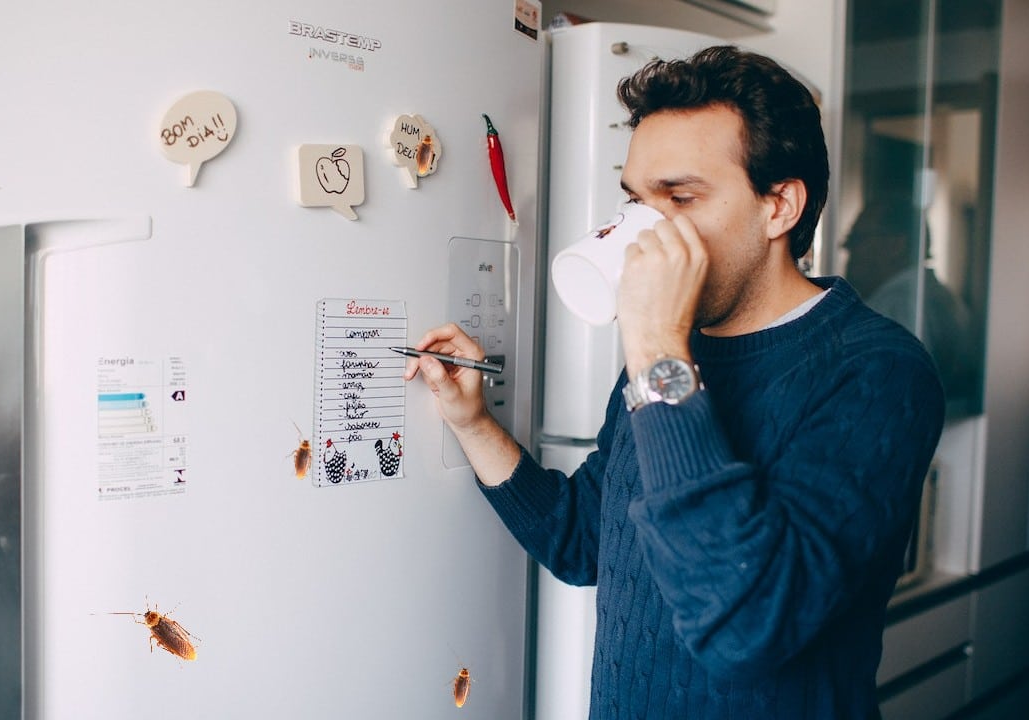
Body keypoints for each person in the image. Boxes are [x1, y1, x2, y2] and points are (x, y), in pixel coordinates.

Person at [404, 46, 945, 719]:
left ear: (779, 207)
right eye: (635, 199)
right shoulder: (672, 352)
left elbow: (749, 623)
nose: (643, 231)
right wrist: (473, 422)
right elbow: (585, 542)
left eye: (680, 197)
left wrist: (658, 348)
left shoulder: (877, 372)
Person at [844, 198, 974, 403]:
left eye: (857, 239)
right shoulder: (945, 298)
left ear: (897, 245)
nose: (847, 250)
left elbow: (884, 399)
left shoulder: (894, 306)